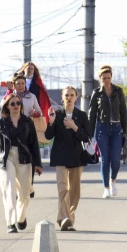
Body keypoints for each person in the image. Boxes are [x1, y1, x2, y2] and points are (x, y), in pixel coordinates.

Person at [0, 94, 42, 233]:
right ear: (7, 106)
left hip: (24, 158)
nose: (16, 106)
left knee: (24, 194)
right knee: (9, 190)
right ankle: (10, 222)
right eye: (12, 104)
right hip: (7, 158)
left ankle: (21, 217)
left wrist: (38, 164)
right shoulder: (1, 123)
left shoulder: (27, 122)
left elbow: (34, 144)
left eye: (18, 103)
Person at [44, 86, 91, 231]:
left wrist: (75, 127)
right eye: (66, 95)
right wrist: (51, 122)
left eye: (72, 95)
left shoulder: (82, 116)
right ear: (62, 97)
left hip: (77, 156)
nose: (69, 98)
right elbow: (48, 136)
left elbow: (87, 137)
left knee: (74, 191)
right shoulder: (56, 114)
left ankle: (68, 217)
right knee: (63, 187)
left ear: (76, 97)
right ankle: (65, 219)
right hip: (60, 155)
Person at [89, 65, 127, 199]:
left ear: (111, 77)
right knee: (105, 159)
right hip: (102, 129)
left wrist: (125, 130)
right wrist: (89, 134)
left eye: (109, 77)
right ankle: (106, 188)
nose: (106, 80)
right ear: (100, 78)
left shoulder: (118, 91)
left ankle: (113, 181)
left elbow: (123, 111)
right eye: (104, 78)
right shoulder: (97, 93)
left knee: (116, 159)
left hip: (117, 128)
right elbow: (92, 114)